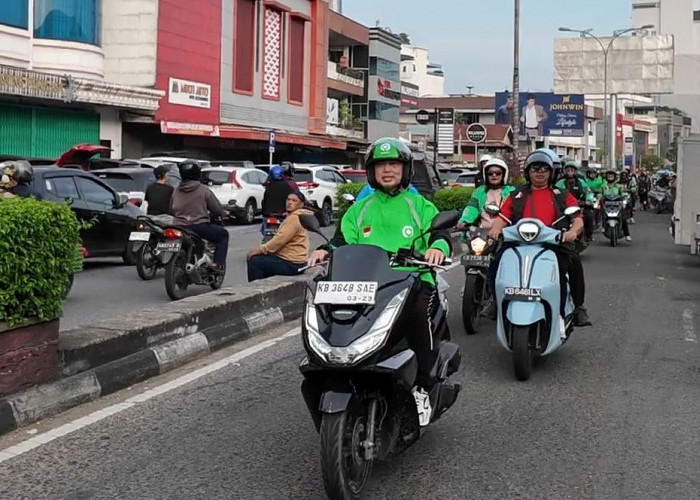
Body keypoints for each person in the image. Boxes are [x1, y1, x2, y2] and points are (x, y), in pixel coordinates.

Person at [308, 137, 452, 426]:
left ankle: (423, 385)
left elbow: (441, 235)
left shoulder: (419, 206)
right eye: (381, 165)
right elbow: (340, 241)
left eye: (394, 164)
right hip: (363, 284)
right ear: (371, 172)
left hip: (412, 280)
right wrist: (325, 249)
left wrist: (438, 249)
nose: (387, 170)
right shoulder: (360, 209)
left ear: (405, 169)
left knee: (418, 321)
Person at [488, 150, 592, 327]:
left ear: (551, 172)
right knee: (495, 261)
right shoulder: (516, 195)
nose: (540, 172)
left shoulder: (562, 195)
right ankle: (494, 302)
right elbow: (501, 218)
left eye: (544, 169)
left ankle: (578, 308)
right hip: (518, 243)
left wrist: (573, 231)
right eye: (535, 169)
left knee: (573, 264)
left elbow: (578, 220)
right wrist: (495, 230)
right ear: (528, 172)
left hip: (553, 244)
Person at [457, 157, 516, 319]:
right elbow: (471, 208)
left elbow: (515, 211)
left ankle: (499, 297)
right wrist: (464, 221)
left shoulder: (511, 191)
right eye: (490, 173)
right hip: (481, 233)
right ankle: (473, 287)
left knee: (501, 265)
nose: (494, 175)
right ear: (485, 175)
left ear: (503, 174)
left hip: (505, 234)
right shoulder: (479, 192)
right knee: (472, 258)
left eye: (498, 173)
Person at [170, 161, 229, 271]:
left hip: (178, 226)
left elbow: (171, 209)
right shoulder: (204, 190)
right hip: (198, 226)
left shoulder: (176, 191)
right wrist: (223, 213)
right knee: (223, 235)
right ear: (198, 173)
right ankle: (218, 264)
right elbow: (216, 209)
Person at [247, 191, 313, 281]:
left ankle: (256, 291)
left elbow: (279, 240)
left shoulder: (294, 218)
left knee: (254, 261)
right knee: (264, 260)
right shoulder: (300, 216)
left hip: (292, 263)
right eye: (288, 199)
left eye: (294, 201)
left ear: (301, 204)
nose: (290, 202)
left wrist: (259, 250)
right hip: (297, 261)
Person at [556, 161, 595, 243]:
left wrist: (589, 200)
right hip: (564, 206)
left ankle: (589, 236)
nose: (570, 172)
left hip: (580, 206)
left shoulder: (581, 182)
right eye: (568, 170)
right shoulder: (560, 183)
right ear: (565, 171)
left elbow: (588, 192)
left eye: (572, 170)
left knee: (589, 216)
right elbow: (555, 194)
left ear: (575, 171)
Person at [601, 169, 631, 242]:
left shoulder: (619, 186)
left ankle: (627, 234)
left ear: (614, 177)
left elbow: (623, 194)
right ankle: (604, 226)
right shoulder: (603, 186)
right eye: (609, 175)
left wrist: (625, 198)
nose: (610, 176)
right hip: (606, 204)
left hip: (617, 205)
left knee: (623, 218)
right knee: (603, 214)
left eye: (612, 175)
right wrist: (599, 196)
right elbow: (600, 193)